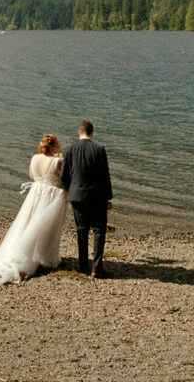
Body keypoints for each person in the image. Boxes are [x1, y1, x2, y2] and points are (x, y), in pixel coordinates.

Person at [0, 133, 67, 285]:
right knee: (47, 227)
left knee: (28, 223)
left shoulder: (34, 158)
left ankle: (24, 251)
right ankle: (45, 256)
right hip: (51, 195)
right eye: (58, 144)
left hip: (36, 193)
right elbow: (63, 179)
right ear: (53, 146)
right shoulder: (57, 161)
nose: (60, 146)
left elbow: (32, 176)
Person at [60, 119, 113, 278]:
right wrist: (108, 197)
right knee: (99, 230)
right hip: (97, 196)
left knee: (81, 230)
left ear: (79, 132)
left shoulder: (69, 149)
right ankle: (96, 267)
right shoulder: (99, 149)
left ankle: (83, 265)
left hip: (77, 196)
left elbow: (63, 175)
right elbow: (105, 176)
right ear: (92, 132)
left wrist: (71, 190)